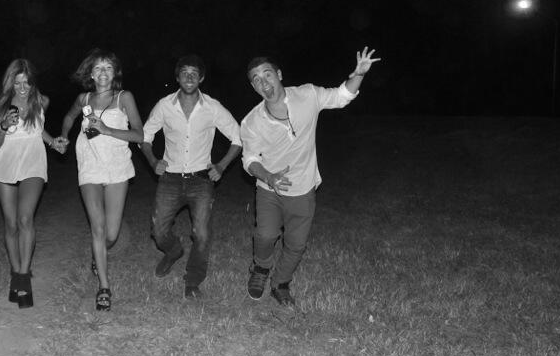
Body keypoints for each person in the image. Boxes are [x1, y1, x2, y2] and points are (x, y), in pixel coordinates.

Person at [241, 47, 380, 310]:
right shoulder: (251, 122)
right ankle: (260, 267)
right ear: (253, 87)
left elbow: (342, 96)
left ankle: (280, 284)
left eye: (267, 74)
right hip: (269, 188)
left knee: (296, 244)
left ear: (279, 74)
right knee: (266, 235)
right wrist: (269, 177)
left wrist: (359, 74)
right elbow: (249, 160)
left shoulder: (307, 95)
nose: (263, 82)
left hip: (303, 188)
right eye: (256, 79)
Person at [140, 54, 242, 300]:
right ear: (177, 77)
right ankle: (173, 251)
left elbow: (238, 138)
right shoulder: (164, 105)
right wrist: (153, 161)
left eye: (194, 73)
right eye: (184, 72)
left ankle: (193, 280)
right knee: (158, 230)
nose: (189, 77)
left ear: (201, 78)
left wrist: (222, 165)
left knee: (202, 233)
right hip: (170, 179)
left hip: (201, 180)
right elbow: (145, 137)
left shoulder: (213, 107)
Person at [59, 48, 143, 312]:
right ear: (91, 74)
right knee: (97, 228)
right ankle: (104, 287)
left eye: (108, 67)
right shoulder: (83, 98)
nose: (103, 72)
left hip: (117, 166)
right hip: (90, 164)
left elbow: (139, 135)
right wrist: (64, 135)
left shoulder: (124, 97)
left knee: (111, 234)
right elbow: (69, 117)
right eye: (98, 68)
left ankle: (99, 254)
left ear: (114, 72)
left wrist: (106, 129)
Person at [0, 59, 66, 308]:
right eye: (17, 83)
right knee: (11, 224)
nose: (22, 88)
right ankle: (15, 273)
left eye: (26, 83)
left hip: (33, 161)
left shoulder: (42, 101)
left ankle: (23, 278)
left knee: (24, 218)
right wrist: (3, 125)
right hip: (6, 161)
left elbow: (37, 130)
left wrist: (53, 142)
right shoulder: (1, 105)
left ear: (33, 83)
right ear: (10, 83)